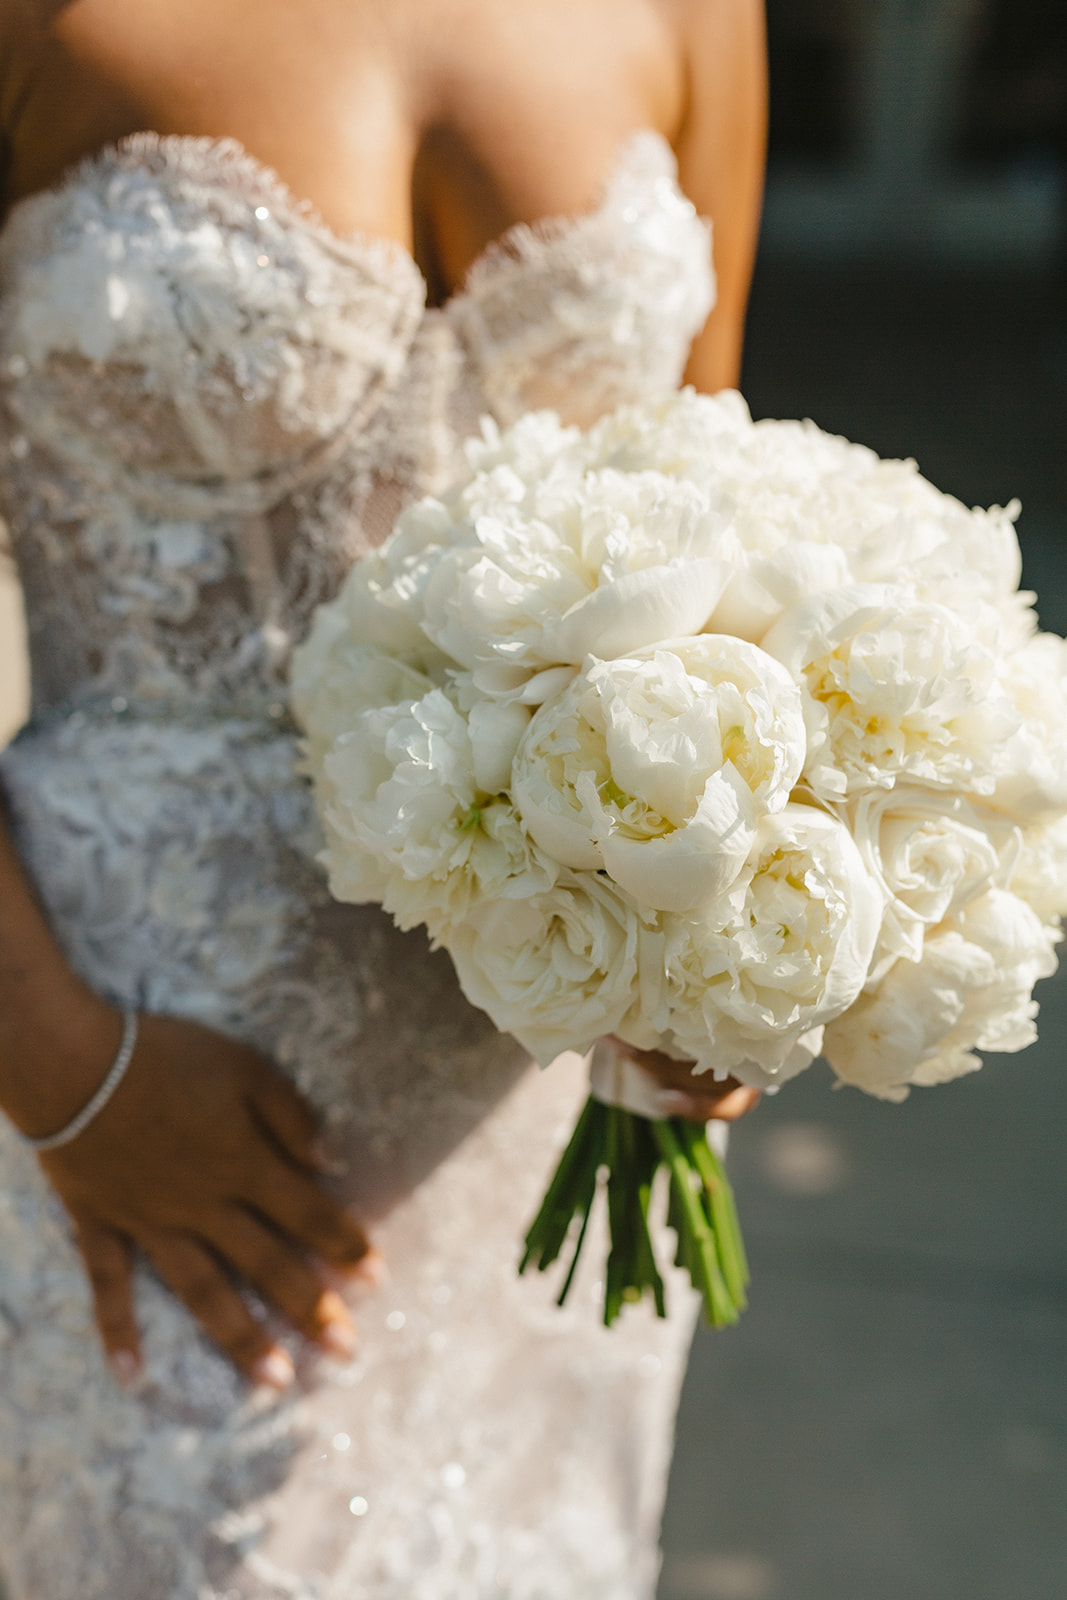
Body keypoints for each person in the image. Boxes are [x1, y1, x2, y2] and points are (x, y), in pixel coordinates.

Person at [0, 0, 766, 1594]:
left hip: (538, 1120)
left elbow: (713, 530)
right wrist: (70, 1082)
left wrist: (720, 962)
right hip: (129, 1088)